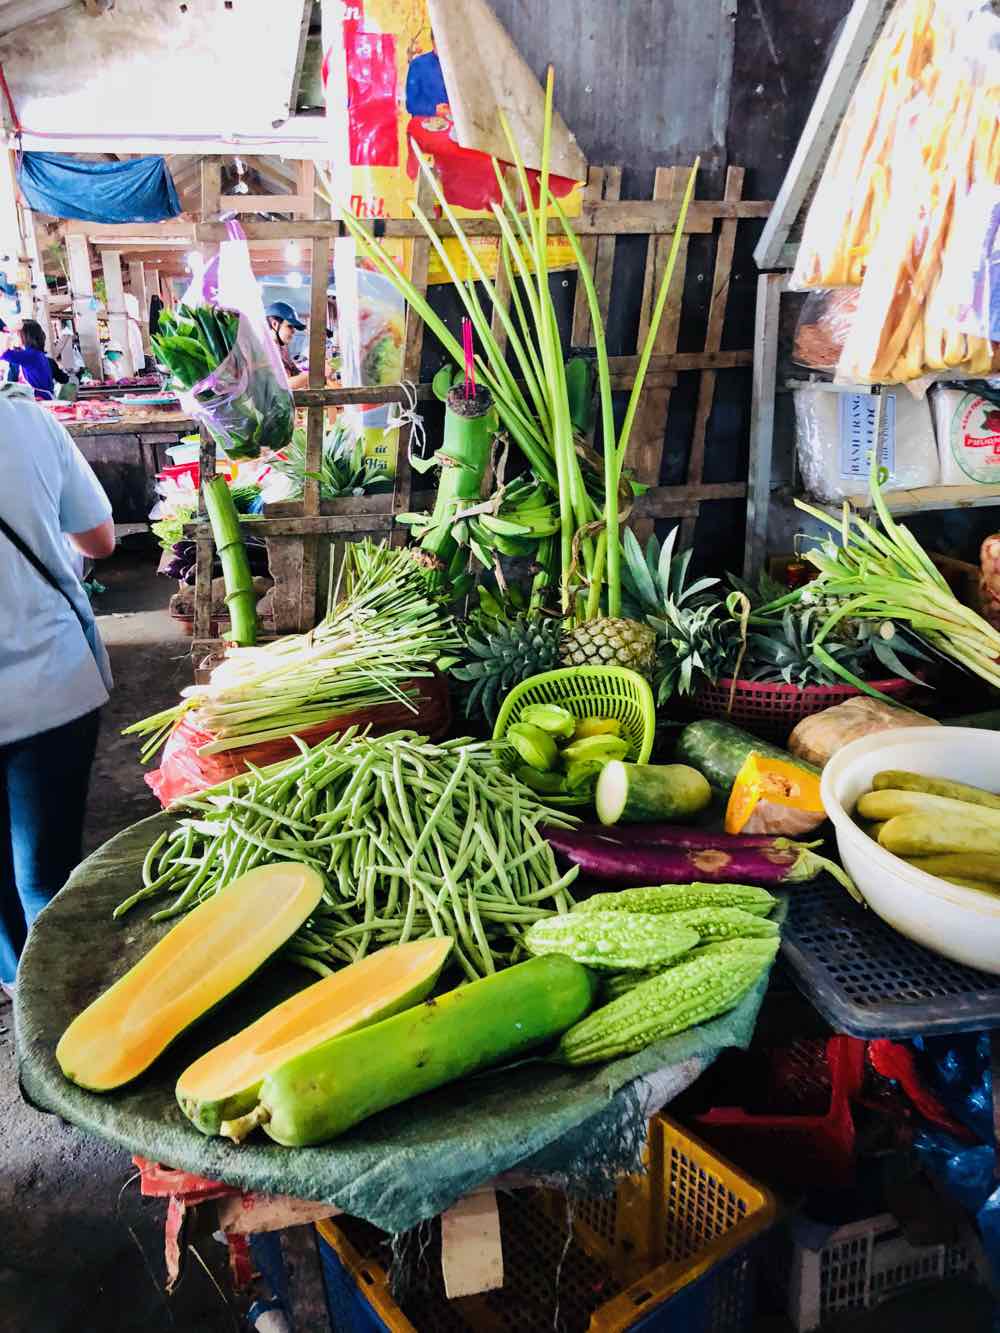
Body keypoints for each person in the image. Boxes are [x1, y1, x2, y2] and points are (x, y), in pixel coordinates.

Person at [0, 383, 115, 995]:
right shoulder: (29, 423)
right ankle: (57, 1006)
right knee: (45, 870)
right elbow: (99, 540)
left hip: (49, 689)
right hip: (50, 685)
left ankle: (20, 985)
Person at [1, 319, 55, 400]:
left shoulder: (30, 355)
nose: (15, 336)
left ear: (25, 336)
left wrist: (10, 332)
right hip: (44, 399)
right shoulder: (36, 354)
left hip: (41, 402)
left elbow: (2, 353)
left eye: (17, 334)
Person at [265, 300, 310, 390]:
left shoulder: (281, 348)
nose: (294, 331)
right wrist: (317, 374)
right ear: (275, 324)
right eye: (290, 326)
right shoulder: (267, 350)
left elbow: (295, 371)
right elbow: (285, 384)